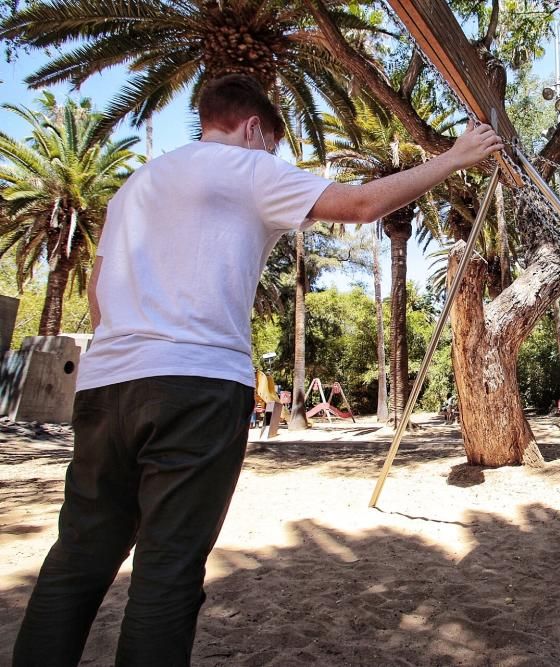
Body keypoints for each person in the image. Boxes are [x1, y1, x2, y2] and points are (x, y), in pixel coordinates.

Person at [12, 73, 503, 667]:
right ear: (251, 129)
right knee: (168, 569)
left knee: (78, 557)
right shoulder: (245, 166)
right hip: (194, 389)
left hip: (104, 386)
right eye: (271, 145)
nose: (273, 159)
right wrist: (456, 157)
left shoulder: (133, 188)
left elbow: (96, 293)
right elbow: (361, 204)